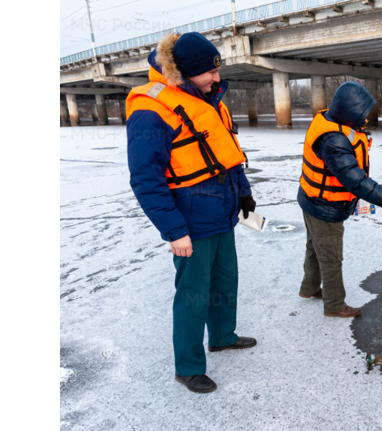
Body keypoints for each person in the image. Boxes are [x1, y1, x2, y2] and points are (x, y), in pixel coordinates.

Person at [126, 32, 257, 393]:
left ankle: (222, 336)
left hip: (223, 212)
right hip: (189, 223)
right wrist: (173, 230)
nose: (217, 78)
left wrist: (244, 194)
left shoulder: (209, 100)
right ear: (183, 72)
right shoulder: (150, 110)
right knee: (193, 294)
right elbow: (145, 179)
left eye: (217, 70)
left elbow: (227, 153)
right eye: (208, 73)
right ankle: (187, 365)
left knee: (225, 280)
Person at [298, 81, 382, 317]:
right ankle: (335, 305)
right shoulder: (334, 140)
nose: (366, 118)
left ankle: (309, 288)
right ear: (350, 111)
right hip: (325, 206)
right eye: (363, 113)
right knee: (330, 256)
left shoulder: (331, 122)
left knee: (314, 247)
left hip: (310, 199)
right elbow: (355, 180)